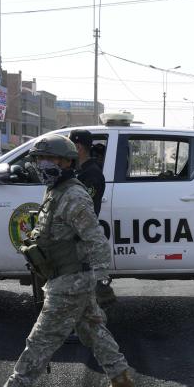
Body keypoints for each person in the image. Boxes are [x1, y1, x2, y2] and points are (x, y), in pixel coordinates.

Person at [0, 135, 136, 387]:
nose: (43, 165)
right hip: (65, 277)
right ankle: (122, 382)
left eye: (50, 159)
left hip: (70, 282)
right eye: (39, 160)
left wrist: (102, 280)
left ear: (67, 162)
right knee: (92, 330)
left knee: (41, 339)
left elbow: (96, 239)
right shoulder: (55, 191)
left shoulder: (73, 195)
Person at [69, 129, 117, 309]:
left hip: (82, 237)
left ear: (78, 147)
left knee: (86, 291)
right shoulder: (79, 171)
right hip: (78, 237)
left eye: (70, 145)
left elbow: (82, 209)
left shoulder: (92, 174)